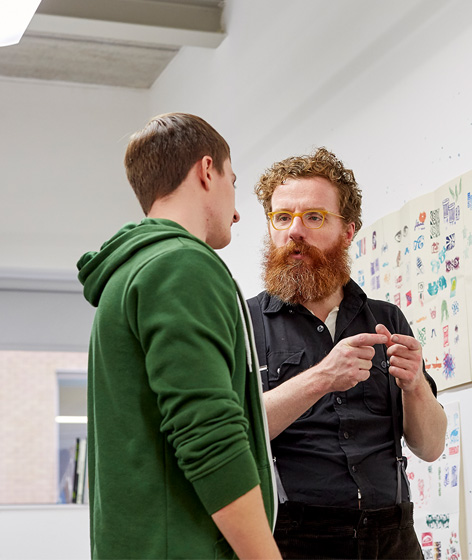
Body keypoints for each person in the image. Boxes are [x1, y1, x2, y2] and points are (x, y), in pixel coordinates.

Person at [77, 113, 280, 559]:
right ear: (207, 171)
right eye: (233, 181)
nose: (238, 209)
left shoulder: (127, 274)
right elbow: (208, 433)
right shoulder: (180, 266)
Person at [247, 147, 447, 559]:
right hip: (294, 538)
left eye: (314, 217)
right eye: (282, 218)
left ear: (348, 231)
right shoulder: (245, 323)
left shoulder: (386, 318)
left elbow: (429, 447)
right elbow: (235, 430)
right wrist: (322, 377)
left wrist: (414, 388)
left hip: (393, 536)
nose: (294, 231)